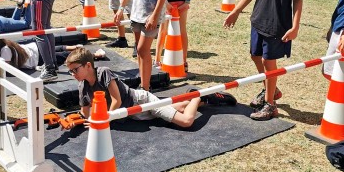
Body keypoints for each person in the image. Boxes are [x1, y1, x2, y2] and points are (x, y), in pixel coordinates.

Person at [66, 47, 236, 127]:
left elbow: (116, 100)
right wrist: (76, 121)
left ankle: (197, 95)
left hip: (141, 101)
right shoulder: (83, 86)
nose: (73, 74)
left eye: (75, 70)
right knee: (179, 108)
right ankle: (198, 101)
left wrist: (105, 119)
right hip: (134, 114)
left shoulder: (103, 72)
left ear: (88, 66)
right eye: (70, 71)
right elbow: (85, 113)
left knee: (186, 122)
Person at [0, 39, 105, 76]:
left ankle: (95, 55)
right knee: (57, 48)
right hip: (34, 48)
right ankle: (75, 46)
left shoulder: (5, 51)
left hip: (37, 58)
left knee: (63, 56)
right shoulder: (5, 45)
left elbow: (1, 69)